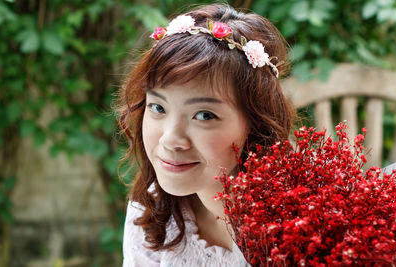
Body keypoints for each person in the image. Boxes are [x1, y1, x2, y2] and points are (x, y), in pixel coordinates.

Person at [118, 4, 295, 266]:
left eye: (203, 115)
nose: (171, 139)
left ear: (256, 124)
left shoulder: (298, 222)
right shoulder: (152, 211)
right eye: (158, 107)